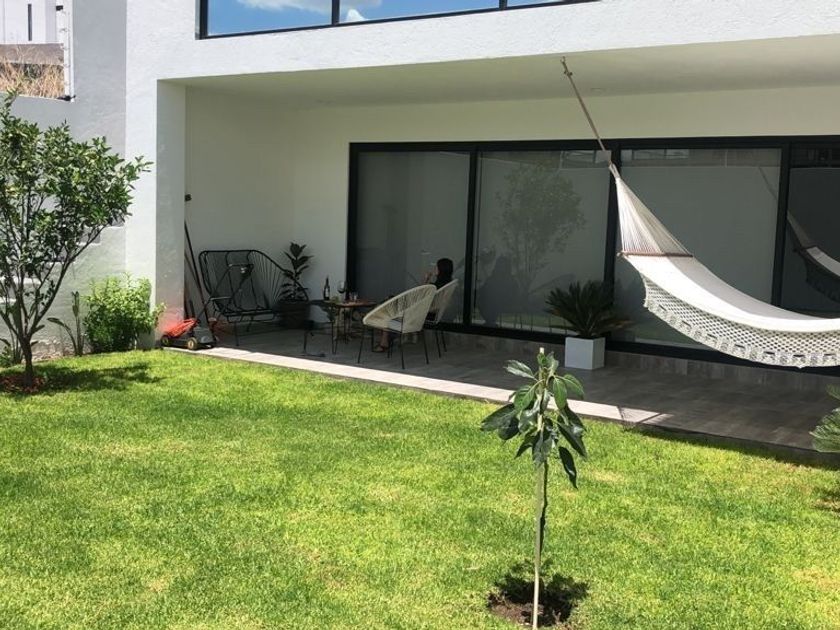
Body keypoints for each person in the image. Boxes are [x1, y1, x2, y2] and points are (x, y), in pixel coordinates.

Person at [374, 257, 453, 352]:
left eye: (436, 267)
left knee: (388, 306)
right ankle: (386, 337)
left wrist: (426, 278)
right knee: (391, 301)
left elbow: (420, 293)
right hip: (426, 312)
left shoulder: (436, 287)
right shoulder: (445, 285)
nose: (434, 268)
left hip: (421, 314)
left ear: (441, 270)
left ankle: (384, 341)